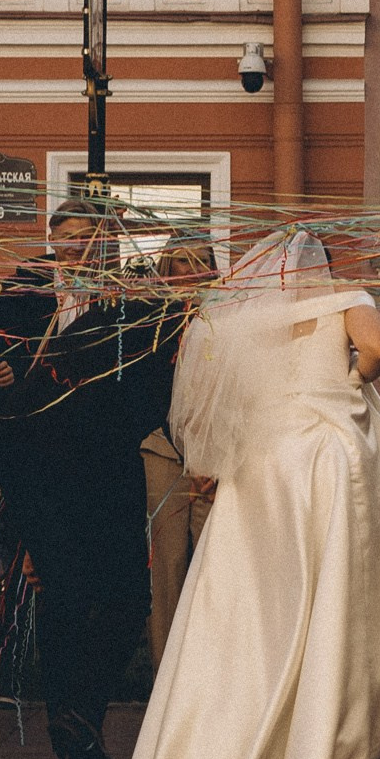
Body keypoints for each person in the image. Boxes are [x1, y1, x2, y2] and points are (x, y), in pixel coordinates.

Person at [119, 232, 380, 759]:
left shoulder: (244, 315)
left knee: (244, 614)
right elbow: (379, 347)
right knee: (321, 608)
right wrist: (350, 376)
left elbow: (208, 402)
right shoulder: (342, 295)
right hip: (323, 463)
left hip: (259, 470)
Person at [0, 198, 180, 759]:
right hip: (39, 476)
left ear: (108, 244)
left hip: (110, 469)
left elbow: (150, 386)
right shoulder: (20, 295)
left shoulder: (131, 306)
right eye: (66, 236)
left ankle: (79, 718)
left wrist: (119, 421)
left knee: (125, 601)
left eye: (89, 236)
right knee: (63, 602)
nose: (78, 246)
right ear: (53, 242)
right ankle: (75, 745)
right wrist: (3, 378)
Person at [138, 232, 219, 666]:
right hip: (162, 454)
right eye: (180, 263)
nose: (190, 272)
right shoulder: (148, 322)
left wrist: (218, 457)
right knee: (166, 571)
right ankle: (164, 681)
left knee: (212, 567)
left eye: (199, 262)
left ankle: (209, 677)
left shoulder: (225, 322)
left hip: (213, 461)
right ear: (166, 269)